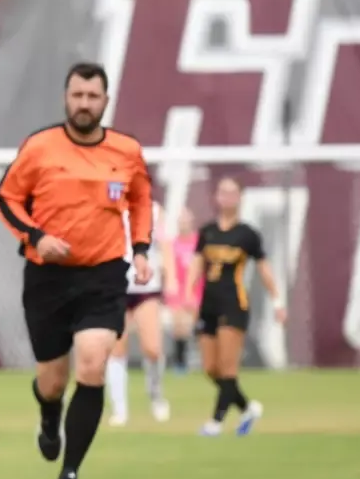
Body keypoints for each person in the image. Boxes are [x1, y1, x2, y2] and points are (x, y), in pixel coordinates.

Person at [0, 62, 154, 479]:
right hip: (47, 279)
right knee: (52, 381)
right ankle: (48, 415)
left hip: (103, 275)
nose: (84, 104)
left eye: (92, 96)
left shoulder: (126, 151)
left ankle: (69, 477)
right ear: (67, 98)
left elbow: (141, 200)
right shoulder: (40, 147)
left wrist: (140, 249)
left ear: (105, 101)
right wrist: (37, 237)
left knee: (93, 365)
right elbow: (6, 198)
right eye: (77, 95)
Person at [193, 177, 285, 436]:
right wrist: (187, 294)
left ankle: (216, 421)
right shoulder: (207, 231)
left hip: (234, 304)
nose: (226, 197)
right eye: (222, 192)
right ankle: (247, 408)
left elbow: (264, 268)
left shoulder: (247, 234)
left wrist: (277, 301)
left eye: (232, 192)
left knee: (228, 367)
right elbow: (197, 264)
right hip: (208, 305)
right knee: (211, 368)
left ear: (240, 197)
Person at [107, 198, 172, 426]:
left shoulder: (153, 209)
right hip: (115, 285)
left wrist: (170, 278)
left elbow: (164, 245)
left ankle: (156, 396)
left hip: (146, 287)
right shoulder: (108, 206)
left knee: (153, 348)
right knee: (116, 349)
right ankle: (119, 408)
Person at [164, 206, 203, 372]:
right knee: (179, 327)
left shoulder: (199, 242)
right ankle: (180, 362)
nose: (183, 223)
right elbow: (167, 267)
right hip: (177, 292)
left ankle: (202, 358)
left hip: (197, 290)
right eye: (181, 220)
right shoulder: (172, 244)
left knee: (197, 325)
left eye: (186, 219)